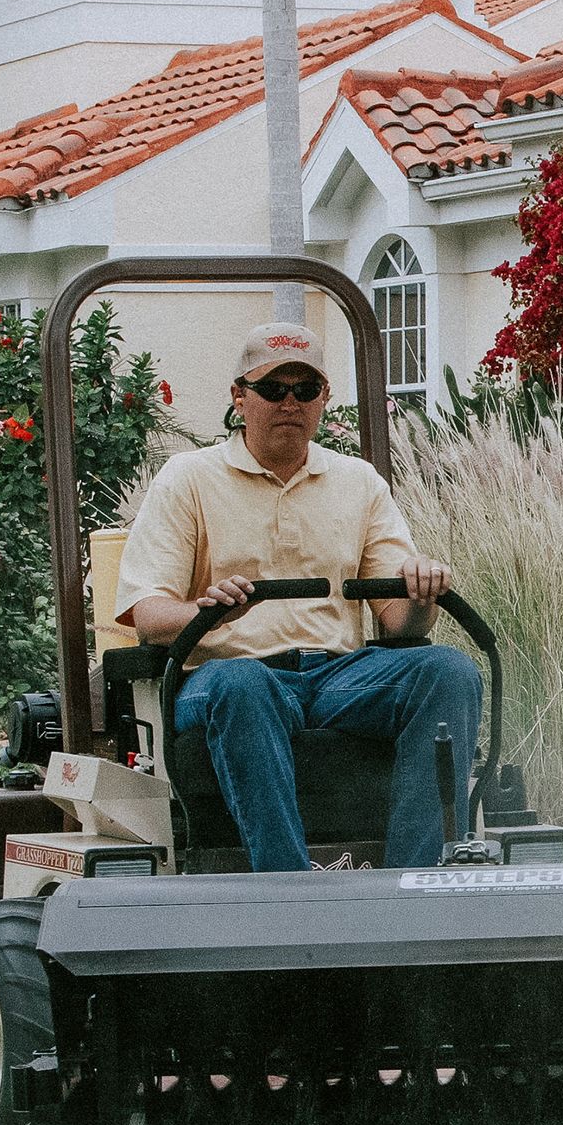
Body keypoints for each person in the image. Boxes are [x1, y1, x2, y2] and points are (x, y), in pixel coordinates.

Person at [114, 322, 481, 872]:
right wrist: (212, 614)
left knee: (449, 670)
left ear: (324, 400)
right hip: (225, 674)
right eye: (273, 389)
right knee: (244, 683)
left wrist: (425, 592)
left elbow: (398, 624)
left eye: (305, 391)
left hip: (337, 677)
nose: (291, 403)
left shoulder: (358, 482)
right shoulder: (187, 480)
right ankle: (287, 886)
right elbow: (149, 618)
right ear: (240, 397)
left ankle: (415, 880)